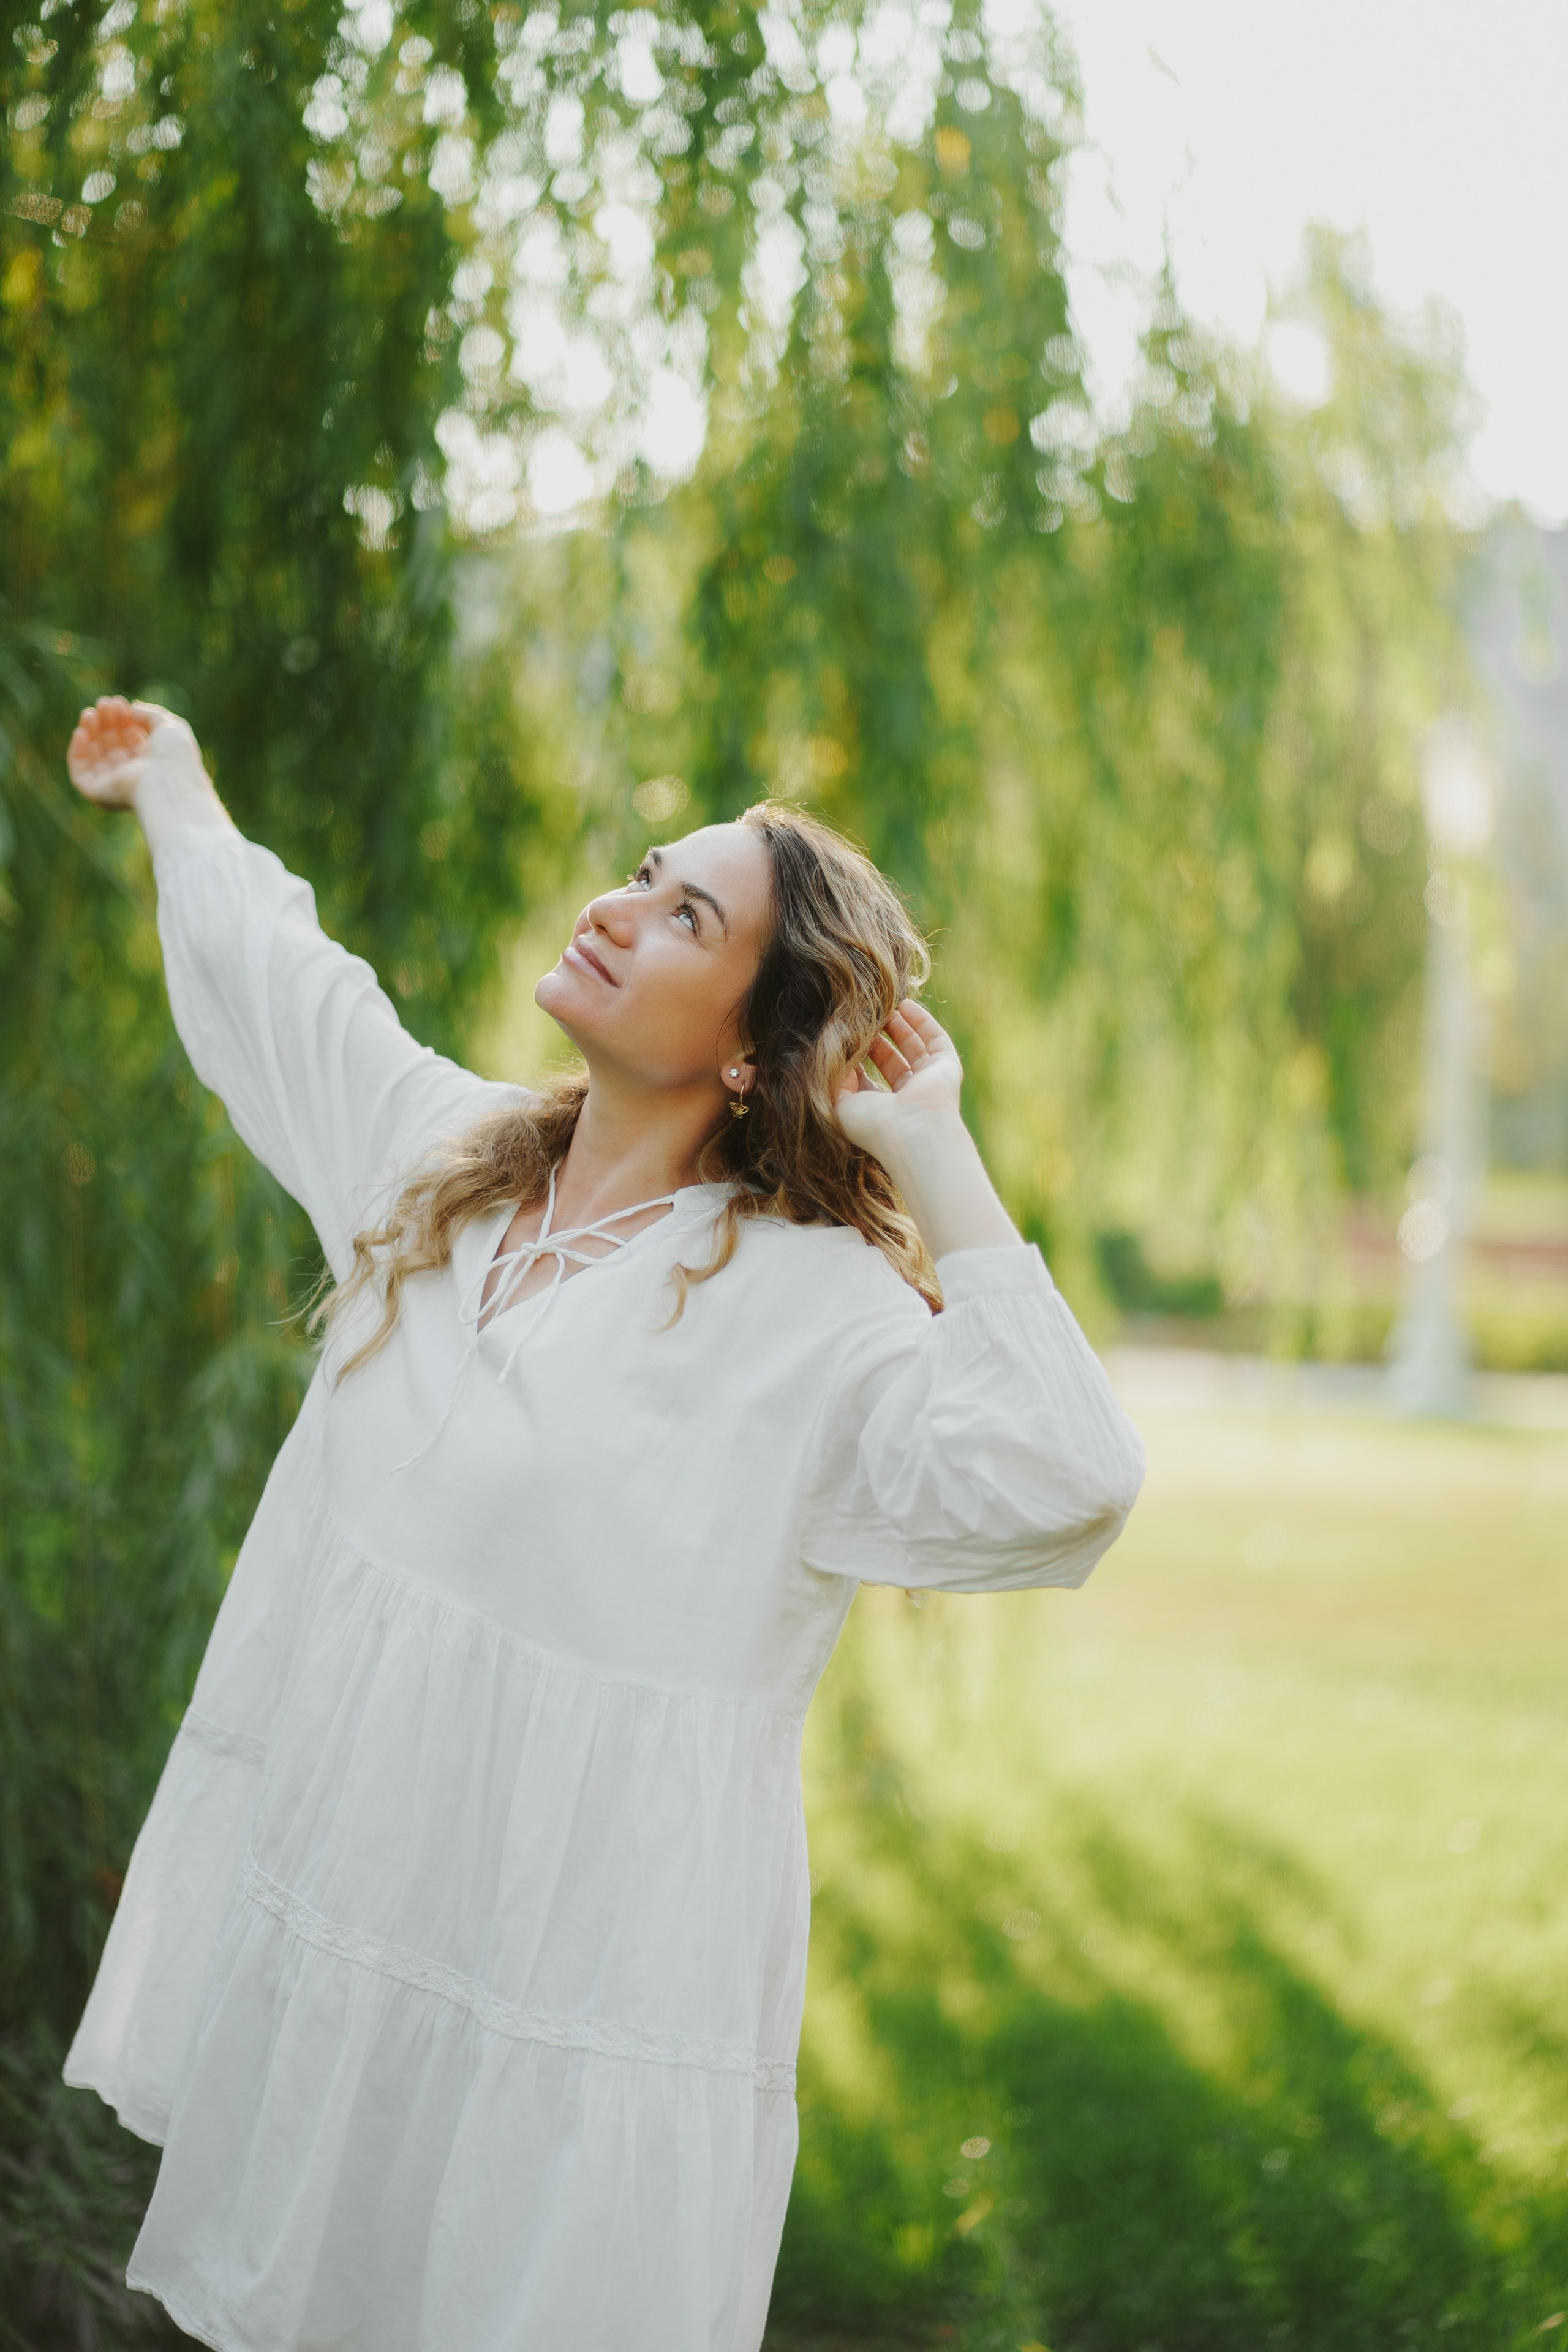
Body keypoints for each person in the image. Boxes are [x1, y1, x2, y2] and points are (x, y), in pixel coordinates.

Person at [62, 695, 1145, 2352]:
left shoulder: (812, 1313)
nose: (617, 907)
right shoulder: (443, 1166)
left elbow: (1067, 1476)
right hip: (354, 1950)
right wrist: (177, 789)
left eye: (684, 913)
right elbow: (279, 990)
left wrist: (933, 1152)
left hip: (575, 2034)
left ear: (750, 1047)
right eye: (644, 872)